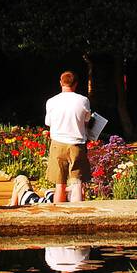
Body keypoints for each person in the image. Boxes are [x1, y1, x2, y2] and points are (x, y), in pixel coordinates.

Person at [44, 71, 91, 203]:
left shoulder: (51, 101)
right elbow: (86, 121)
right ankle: (78, 218)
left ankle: (58, 218)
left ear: (61, 82)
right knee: (77, 185)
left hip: (58, 144)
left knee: (59, 185)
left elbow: (48, 123)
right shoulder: (83, 100)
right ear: (75, 84)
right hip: (77, 144)